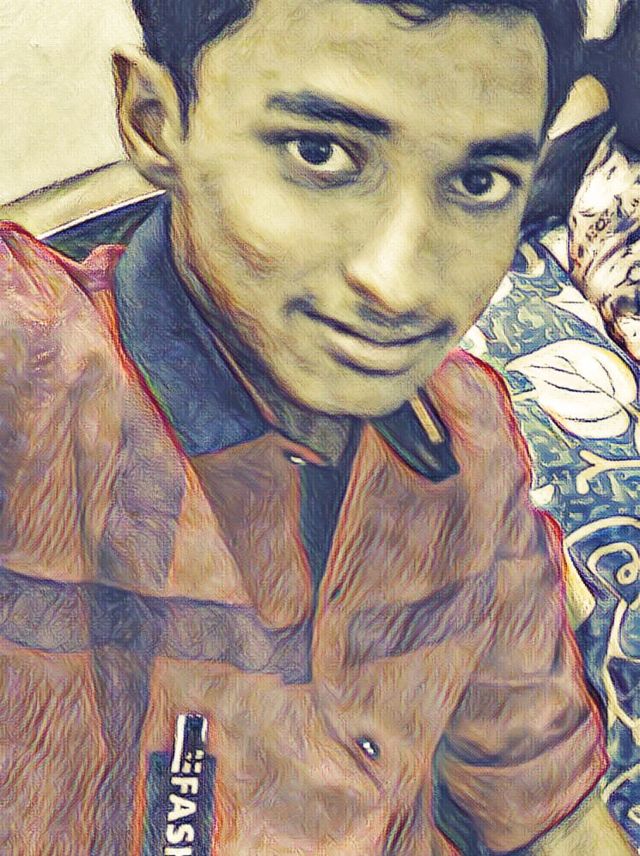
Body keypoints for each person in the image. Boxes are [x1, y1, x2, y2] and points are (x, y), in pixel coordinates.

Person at [0, 1, 631, 854]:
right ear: (155, 121)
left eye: (479, 183)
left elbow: (549, 814)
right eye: (321, 152)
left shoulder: (472, 435)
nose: (400, 284)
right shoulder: (37, 380)